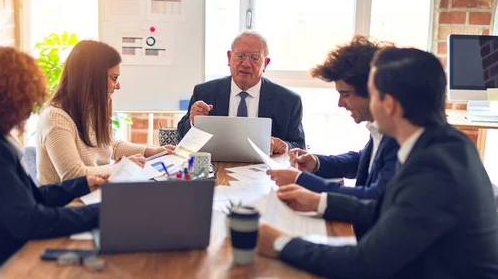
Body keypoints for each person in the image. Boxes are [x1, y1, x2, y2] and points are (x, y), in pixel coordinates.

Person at [257, 48, 498, 278]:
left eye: (372, 94)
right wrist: (318, 202)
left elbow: (365, 263)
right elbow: (387, 208)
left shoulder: (434, 168)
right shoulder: (440, 143)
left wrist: (281, 243)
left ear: (389, 104)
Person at [0, 47, 106, 279]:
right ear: (6, 99)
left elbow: (29, 198)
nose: (33, 104)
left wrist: (82, 184)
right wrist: (105, 212)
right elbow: (32, 221)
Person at [268, 36, 399, 208]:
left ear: (372, 91)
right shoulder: (379, 129)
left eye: (346, 94)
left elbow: (373, 197)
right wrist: (316, 162)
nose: (340, 103)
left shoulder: (398, 135)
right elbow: (363, 161)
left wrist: (301, 180)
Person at [36, 40, 174, 185]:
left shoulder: (90, 110)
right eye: (114, 78)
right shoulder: (55, 118)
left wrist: (150, 152)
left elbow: (110, 145)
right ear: (91, 77)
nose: (118, 86)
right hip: (69, 204)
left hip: (93, 195)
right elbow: (74, 175)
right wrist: (120, 167)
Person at [176, 31, 306, 153]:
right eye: (241, 56)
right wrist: (193, 121)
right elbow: (181, 139)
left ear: (265, 63)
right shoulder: (205, 93)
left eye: (255, 58)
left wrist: (285, 146)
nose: (246, 64)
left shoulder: (288, 101)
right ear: (229, 57)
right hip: (216, 169)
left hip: (266, 173)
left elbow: (299, 146)